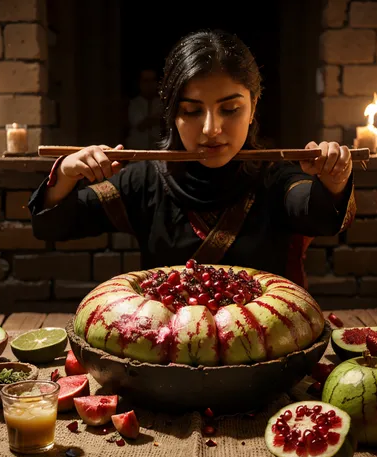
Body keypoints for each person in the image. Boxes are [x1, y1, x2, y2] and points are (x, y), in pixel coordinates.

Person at [29, 29, 356, 290]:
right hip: (166, 353)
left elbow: (320, 216)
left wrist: (334, 179)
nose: (212, 129)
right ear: (172, 113)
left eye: (230, 109)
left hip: (266, 352)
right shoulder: (146, 181)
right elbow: (52, 224)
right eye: (192, 111)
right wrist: (68, 174)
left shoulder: (276, 177)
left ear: (254, 106)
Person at [125, 68, 162, 149]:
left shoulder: (162, 103)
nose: (150, 84)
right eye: (146, 81)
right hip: (137, 153)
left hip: (158, 153)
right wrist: (157, 118)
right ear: (140, 83)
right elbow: (141, 125)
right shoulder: (134, 103)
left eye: (152, 80)